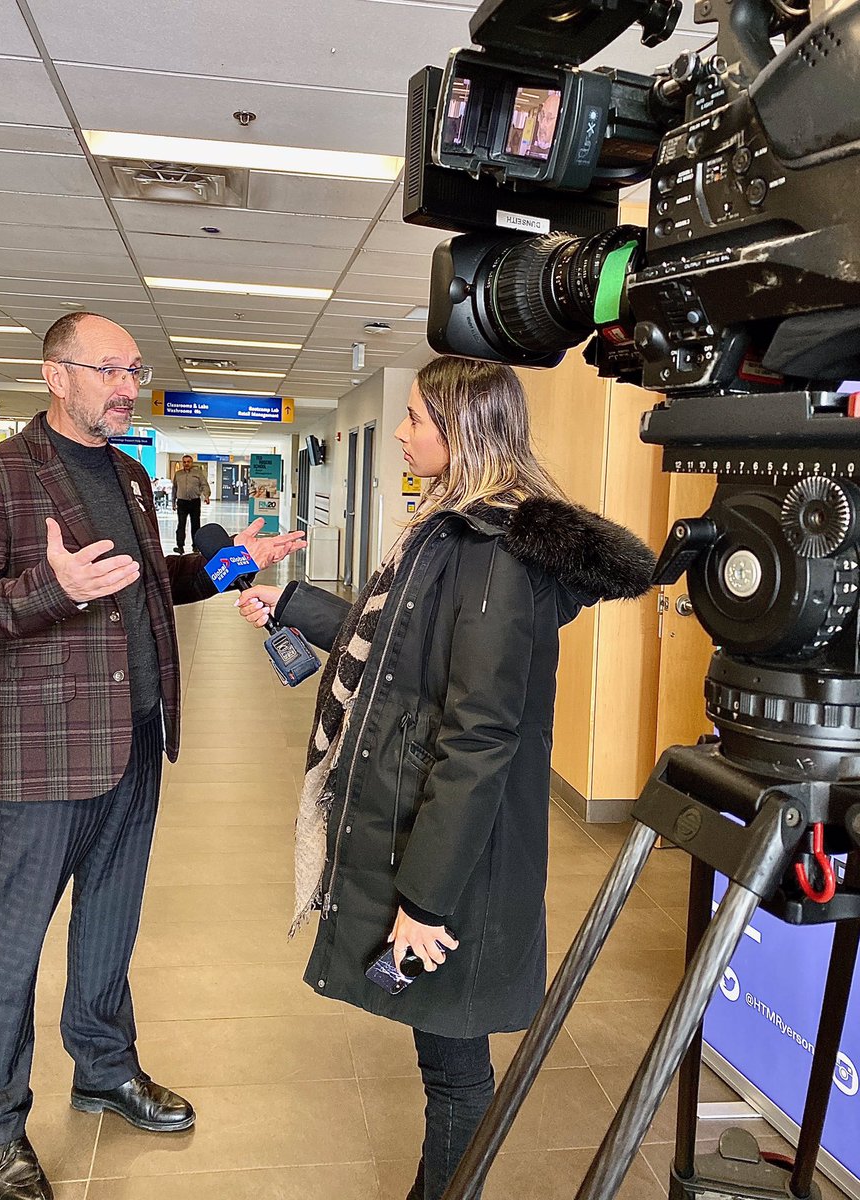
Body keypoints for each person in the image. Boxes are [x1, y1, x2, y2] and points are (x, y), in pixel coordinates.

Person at [236, 356, 655, 1200]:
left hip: (459, 858)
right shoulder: (447, 529)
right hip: (434, 835)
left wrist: (425, 902)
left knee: (456, 1072)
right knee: (445, 1058)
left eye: (416, 419)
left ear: (463, 432)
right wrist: (291, 605)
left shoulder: (495, 553)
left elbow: (480, 737)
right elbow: (396, 651)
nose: (401, 432)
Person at [0, 311, 305, 1200]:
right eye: (110, 371)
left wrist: (230, 564)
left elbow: (146, 584)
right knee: (13, 942)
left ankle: (103, 1067)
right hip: (42, 756)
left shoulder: (130, 476)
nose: (129, 387)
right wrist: (49, 589)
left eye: (135, 370)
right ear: (56, 375)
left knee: (111, 921)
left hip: (134, 737)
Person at [172, 453, 210, 553]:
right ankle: (180, 546)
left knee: (195, 525)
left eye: (188, 462)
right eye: (184, 462)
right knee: (181, 525)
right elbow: (174, 488)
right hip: (182, 503)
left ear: (192, 462)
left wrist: (206, 496)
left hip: (194, 502)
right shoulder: (178, 474)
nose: (186, 464)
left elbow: (204, 485)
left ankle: (196, 546)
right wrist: (173, 502)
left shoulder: (198, 474)